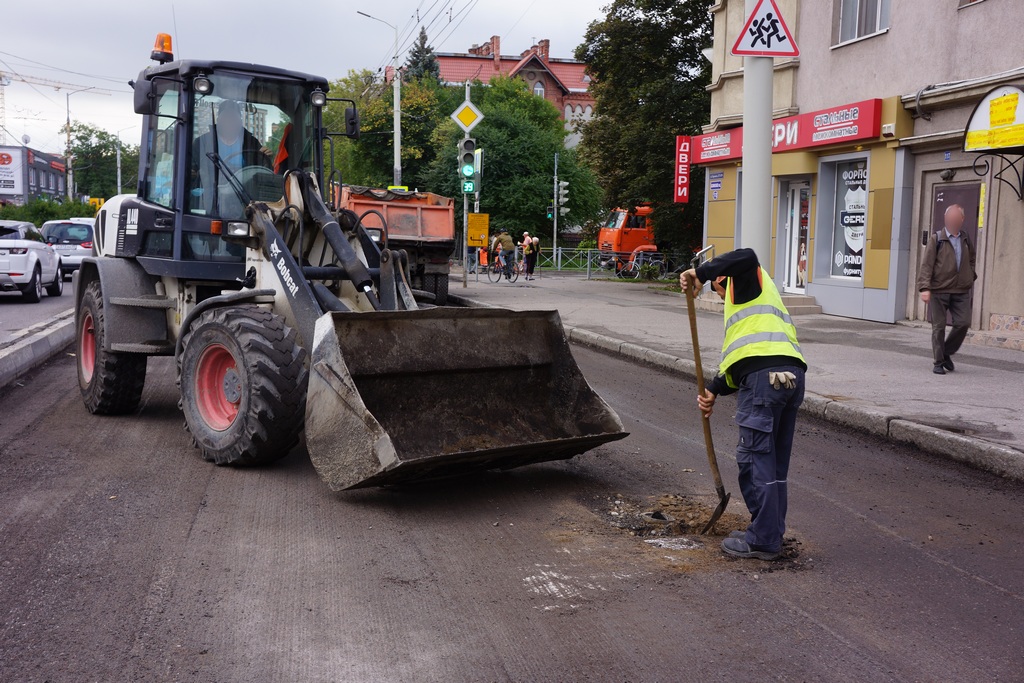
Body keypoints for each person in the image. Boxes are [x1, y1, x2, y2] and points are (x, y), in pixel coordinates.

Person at [680, 248, 807, 561]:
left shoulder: (747, 279)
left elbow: (747, 255)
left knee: (753, 459)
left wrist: (701, 272)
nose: (720, 296)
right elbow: (746, 357)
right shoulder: (763, 297)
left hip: (765, 381)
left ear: (724, 277)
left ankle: (763, 540)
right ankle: (768, 532)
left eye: (717, 287)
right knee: (773, 464)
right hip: (790, 377)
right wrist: (713, 389)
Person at [917, 204, 977, 375]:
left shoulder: (965, 238)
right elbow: (927, 264)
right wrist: (924, 287)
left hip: (961, 290)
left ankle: (946, 352)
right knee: (939, 327)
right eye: (949, 218)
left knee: (963, 323)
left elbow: (972, 258)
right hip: (939, 289)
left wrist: (969, 275)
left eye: (955, 218)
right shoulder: (937, 239)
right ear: (946, 219)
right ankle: (938, 362)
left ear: (962, 220)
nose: (951, 221)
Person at [191, 100, 269, 217]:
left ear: (240, 121)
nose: (230, 122)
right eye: (226, 117)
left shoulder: (252, 143)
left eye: (233, 118)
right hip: (210, 201)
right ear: (218, 120)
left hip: (245, 202)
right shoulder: (201, 143)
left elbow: (261, 171)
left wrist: (266, 157)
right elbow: (190, 172)